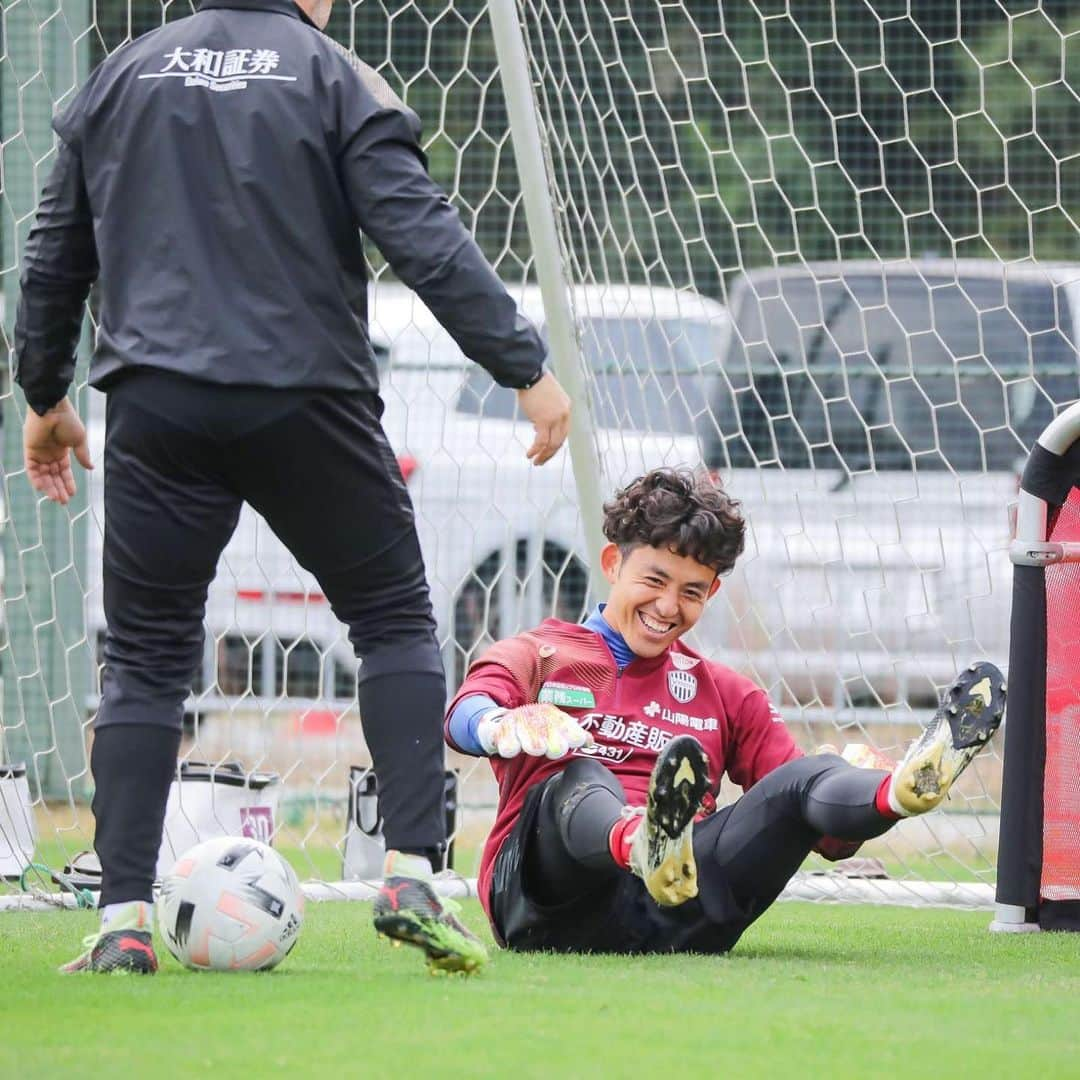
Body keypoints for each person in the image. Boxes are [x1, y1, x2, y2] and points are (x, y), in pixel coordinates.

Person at [14, 0, 571, 975]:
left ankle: (123, 924)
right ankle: (408, 873)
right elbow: (425, 241)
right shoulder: (337, 79)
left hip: (157, 400)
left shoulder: (121, 75)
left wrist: (42, 392)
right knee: (394, 616)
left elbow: (56, 252)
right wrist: (524, 367)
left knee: (144, 661)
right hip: (305, 398)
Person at [442, 468, 1005, 954]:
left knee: (805, 775)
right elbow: (464, 712)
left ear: (710, 594)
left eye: (691, 591)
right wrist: (500, 723)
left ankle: (902, 787)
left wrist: (866, 795)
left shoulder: (726, 692)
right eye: (654, 580)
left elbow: (828, 839)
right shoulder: (543, 653)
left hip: (678, 914)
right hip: (544, 908)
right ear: (613, 563)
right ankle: (637, 841)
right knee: (577, 777)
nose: (668, 607)